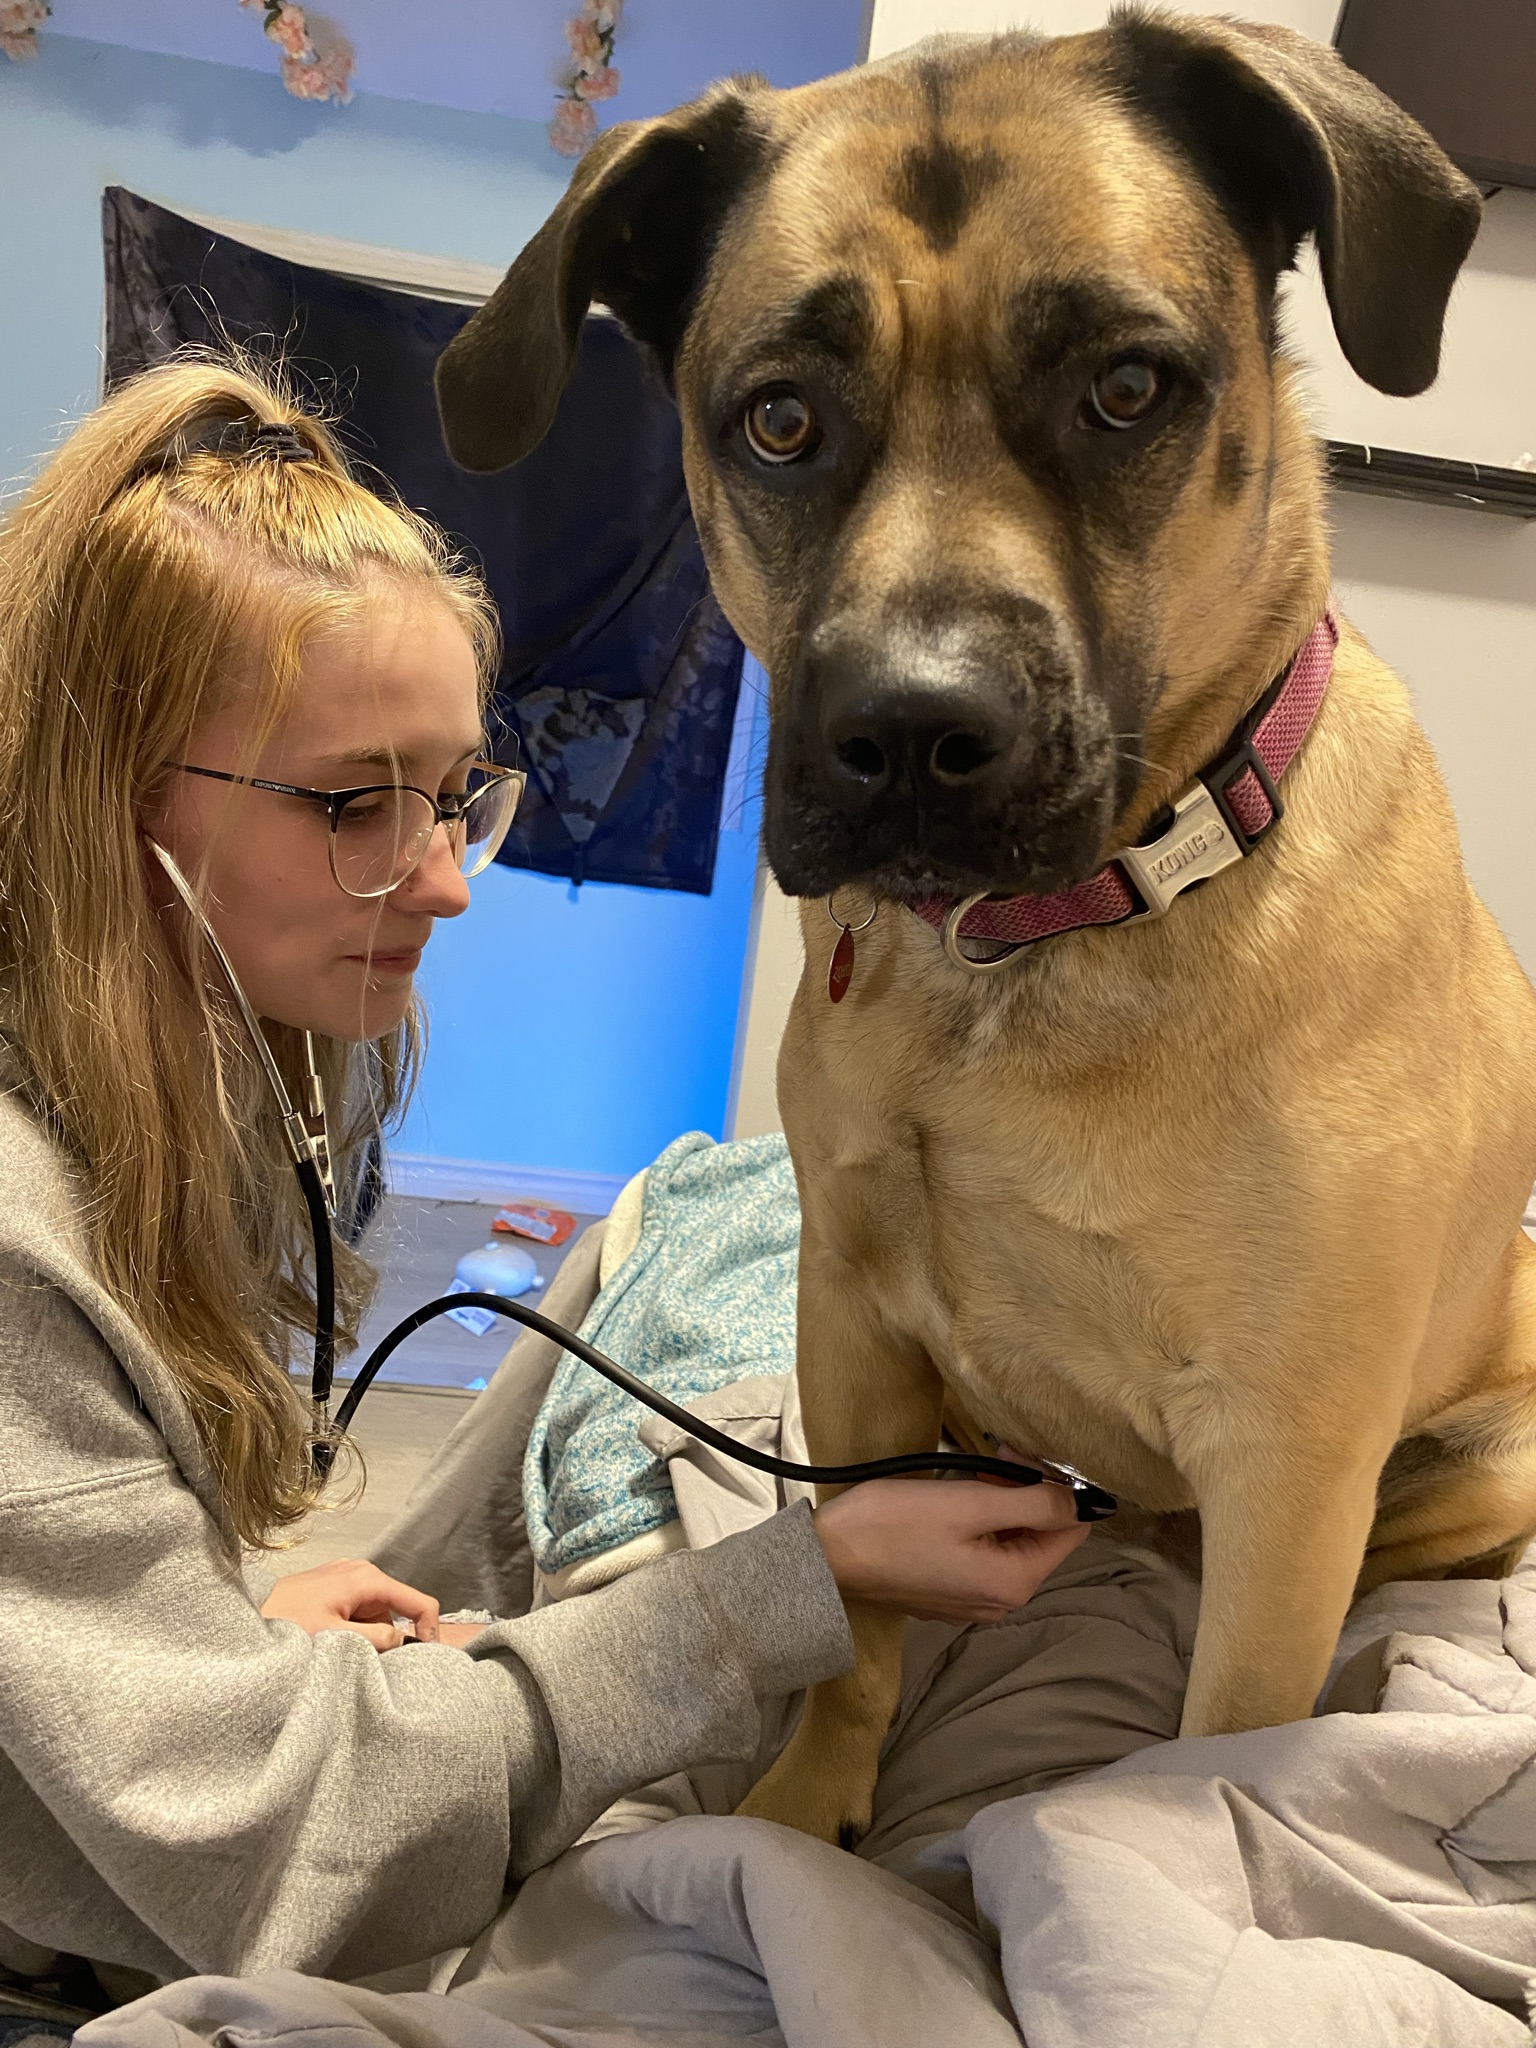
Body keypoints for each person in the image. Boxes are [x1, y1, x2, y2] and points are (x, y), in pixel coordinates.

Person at [0, 358, 1092, 1990]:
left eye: (454, 798)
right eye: (355, 803)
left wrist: (205, 1645)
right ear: (102, 797)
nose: (445, 881)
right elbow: (282, 1866)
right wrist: (791, 1583)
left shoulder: (160, 1108)